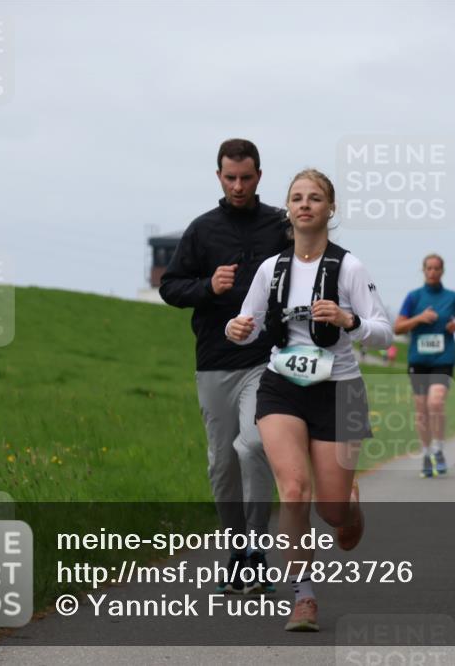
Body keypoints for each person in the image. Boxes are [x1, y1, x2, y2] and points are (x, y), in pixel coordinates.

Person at [225, 168, 392, 632]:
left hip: (340, 390)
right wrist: (234, 329)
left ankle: (349, 506)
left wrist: (347, 319)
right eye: (297, 197)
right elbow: (247, 323)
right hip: (282, 386)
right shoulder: (271, 268)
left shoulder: (350, 267)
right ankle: (303, 597)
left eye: (315, 198)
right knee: (294, 491)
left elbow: (383, 333)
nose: (305, 205)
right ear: (288, 208)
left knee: (332, 510)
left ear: (330, 208)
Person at [160, 138, 290, 595]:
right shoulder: (202, 230)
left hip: (264, 360)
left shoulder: (280, 225)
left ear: (259, 176)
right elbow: (171, 288)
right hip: (214, 362)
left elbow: (311, 263)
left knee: (253, 447)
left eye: (246, 177)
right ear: (218, 176)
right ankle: (236, 551)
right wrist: (207, 287)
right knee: (221, 463)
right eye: (230, 177)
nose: (238, 185)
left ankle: (256, 550)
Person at [394, 254, 455, 477]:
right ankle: (426, 454)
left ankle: (438, 449)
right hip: (419, 360)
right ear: (423, 270)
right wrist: (419, 319)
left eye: (437, 268)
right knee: (422, 411)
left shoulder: (453, 297)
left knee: (435, 403)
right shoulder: (413, 297)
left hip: (443, 359)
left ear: (442, 271)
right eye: (429, 268)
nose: (433, 272)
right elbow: (398, 328)